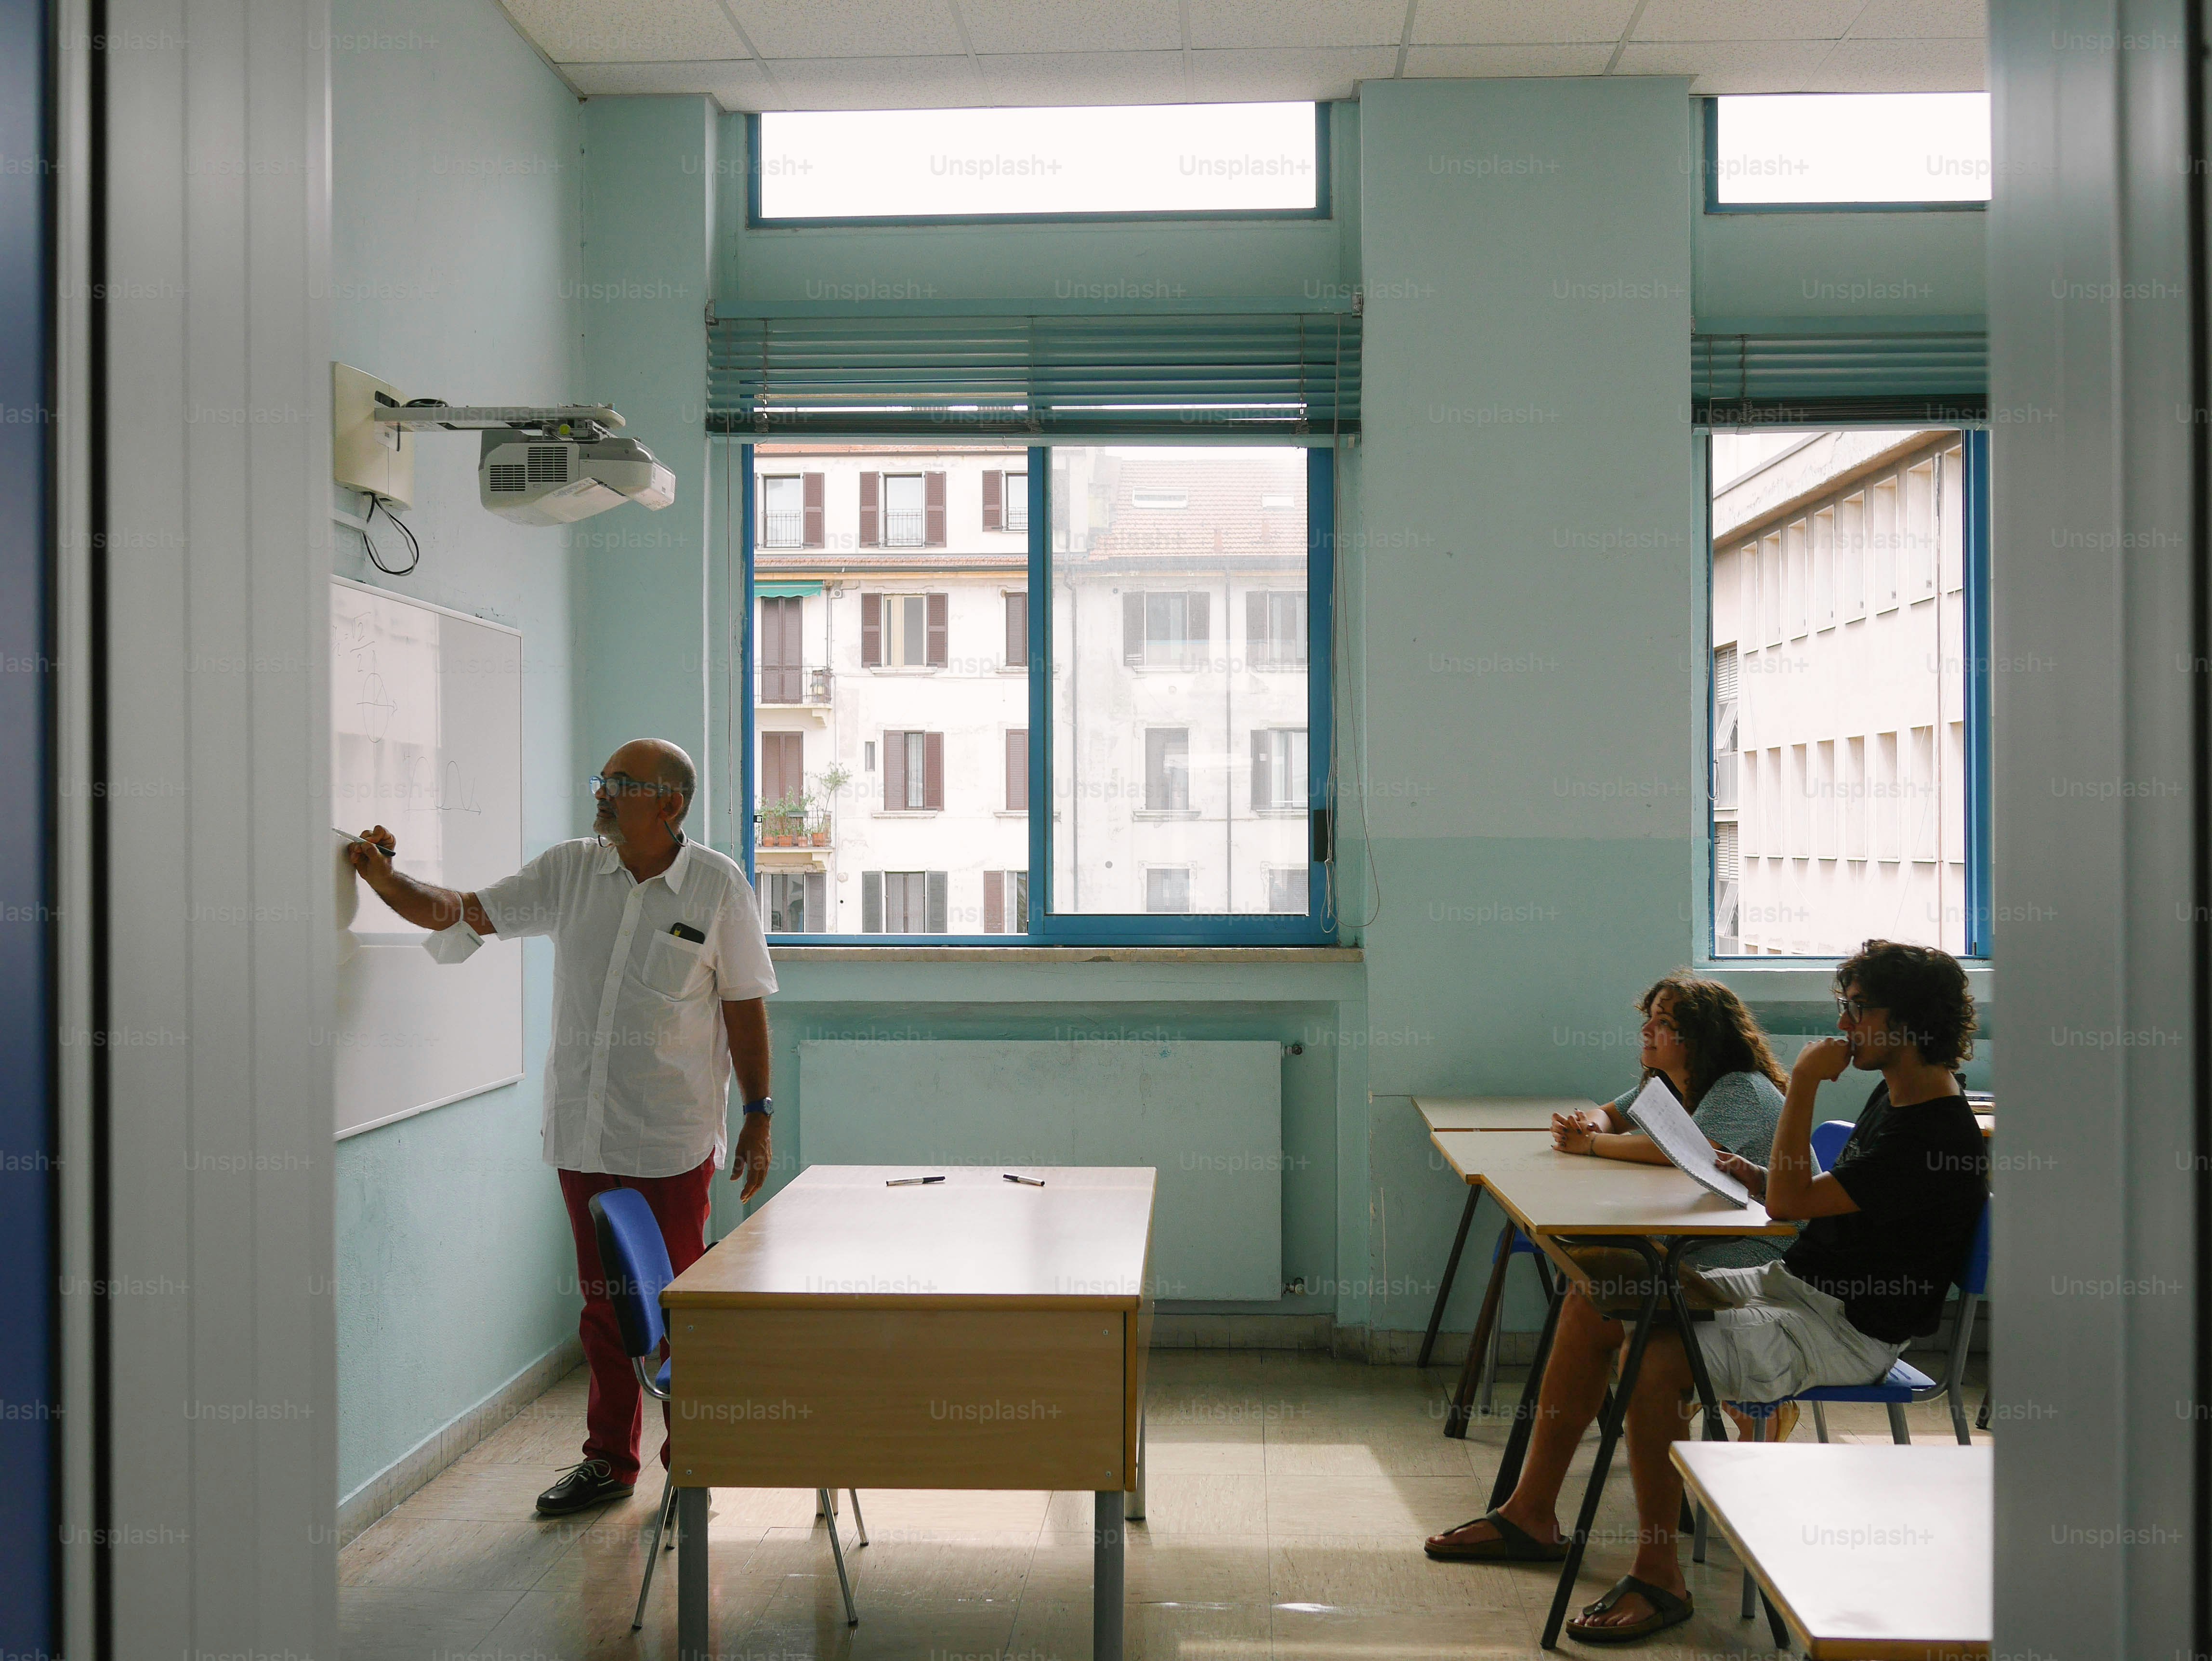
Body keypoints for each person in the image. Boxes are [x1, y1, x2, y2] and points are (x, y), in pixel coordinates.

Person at [1422, 940, 1987, 1645]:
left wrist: (1807, 1082)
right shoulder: (1896, 1096)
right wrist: (1755, 1176)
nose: (1843, 1026)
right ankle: (1531, 1514)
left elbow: (1796, 1199)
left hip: (1847, 1330)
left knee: (1654, 1359)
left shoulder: (1933, 1132)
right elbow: (1810, 1201)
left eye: (1855, 1010)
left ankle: (1659, 1576)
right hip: (1794, 1287)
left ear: (1905, 1024)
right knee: (1595, 1299)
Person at [348, 738, 777, 1518]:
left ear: (670, 803)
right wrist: (383, 878)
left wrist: (757, 1114)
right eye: (601, 780)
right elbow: (459, 912)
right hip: (584, 1133)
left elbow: (744, 1005)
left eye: (619, 784)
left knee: (682, 1310)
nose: (601, 794)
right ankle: (609, 1462)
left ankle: (694, 1466)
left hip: (671, 1138)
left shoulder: (717, 884)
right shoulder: (572, 868)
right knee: (604, 1308)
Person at [1548, 974, 1790, 1272]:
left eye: (1663, 1023)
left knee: (1612, 1264)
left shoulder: (1740, 1087)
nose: (1646, 1030)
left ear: (1702, 1037)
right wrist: (1590, 1128)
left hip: (1764, 1247)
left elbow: (1681, 1152)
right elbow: (1609, 1115)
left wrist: (1590, 1144)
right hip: (1710, 1227)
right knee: (1595, 1258)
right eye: (1649, 1019)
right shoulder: (1671, 1081)